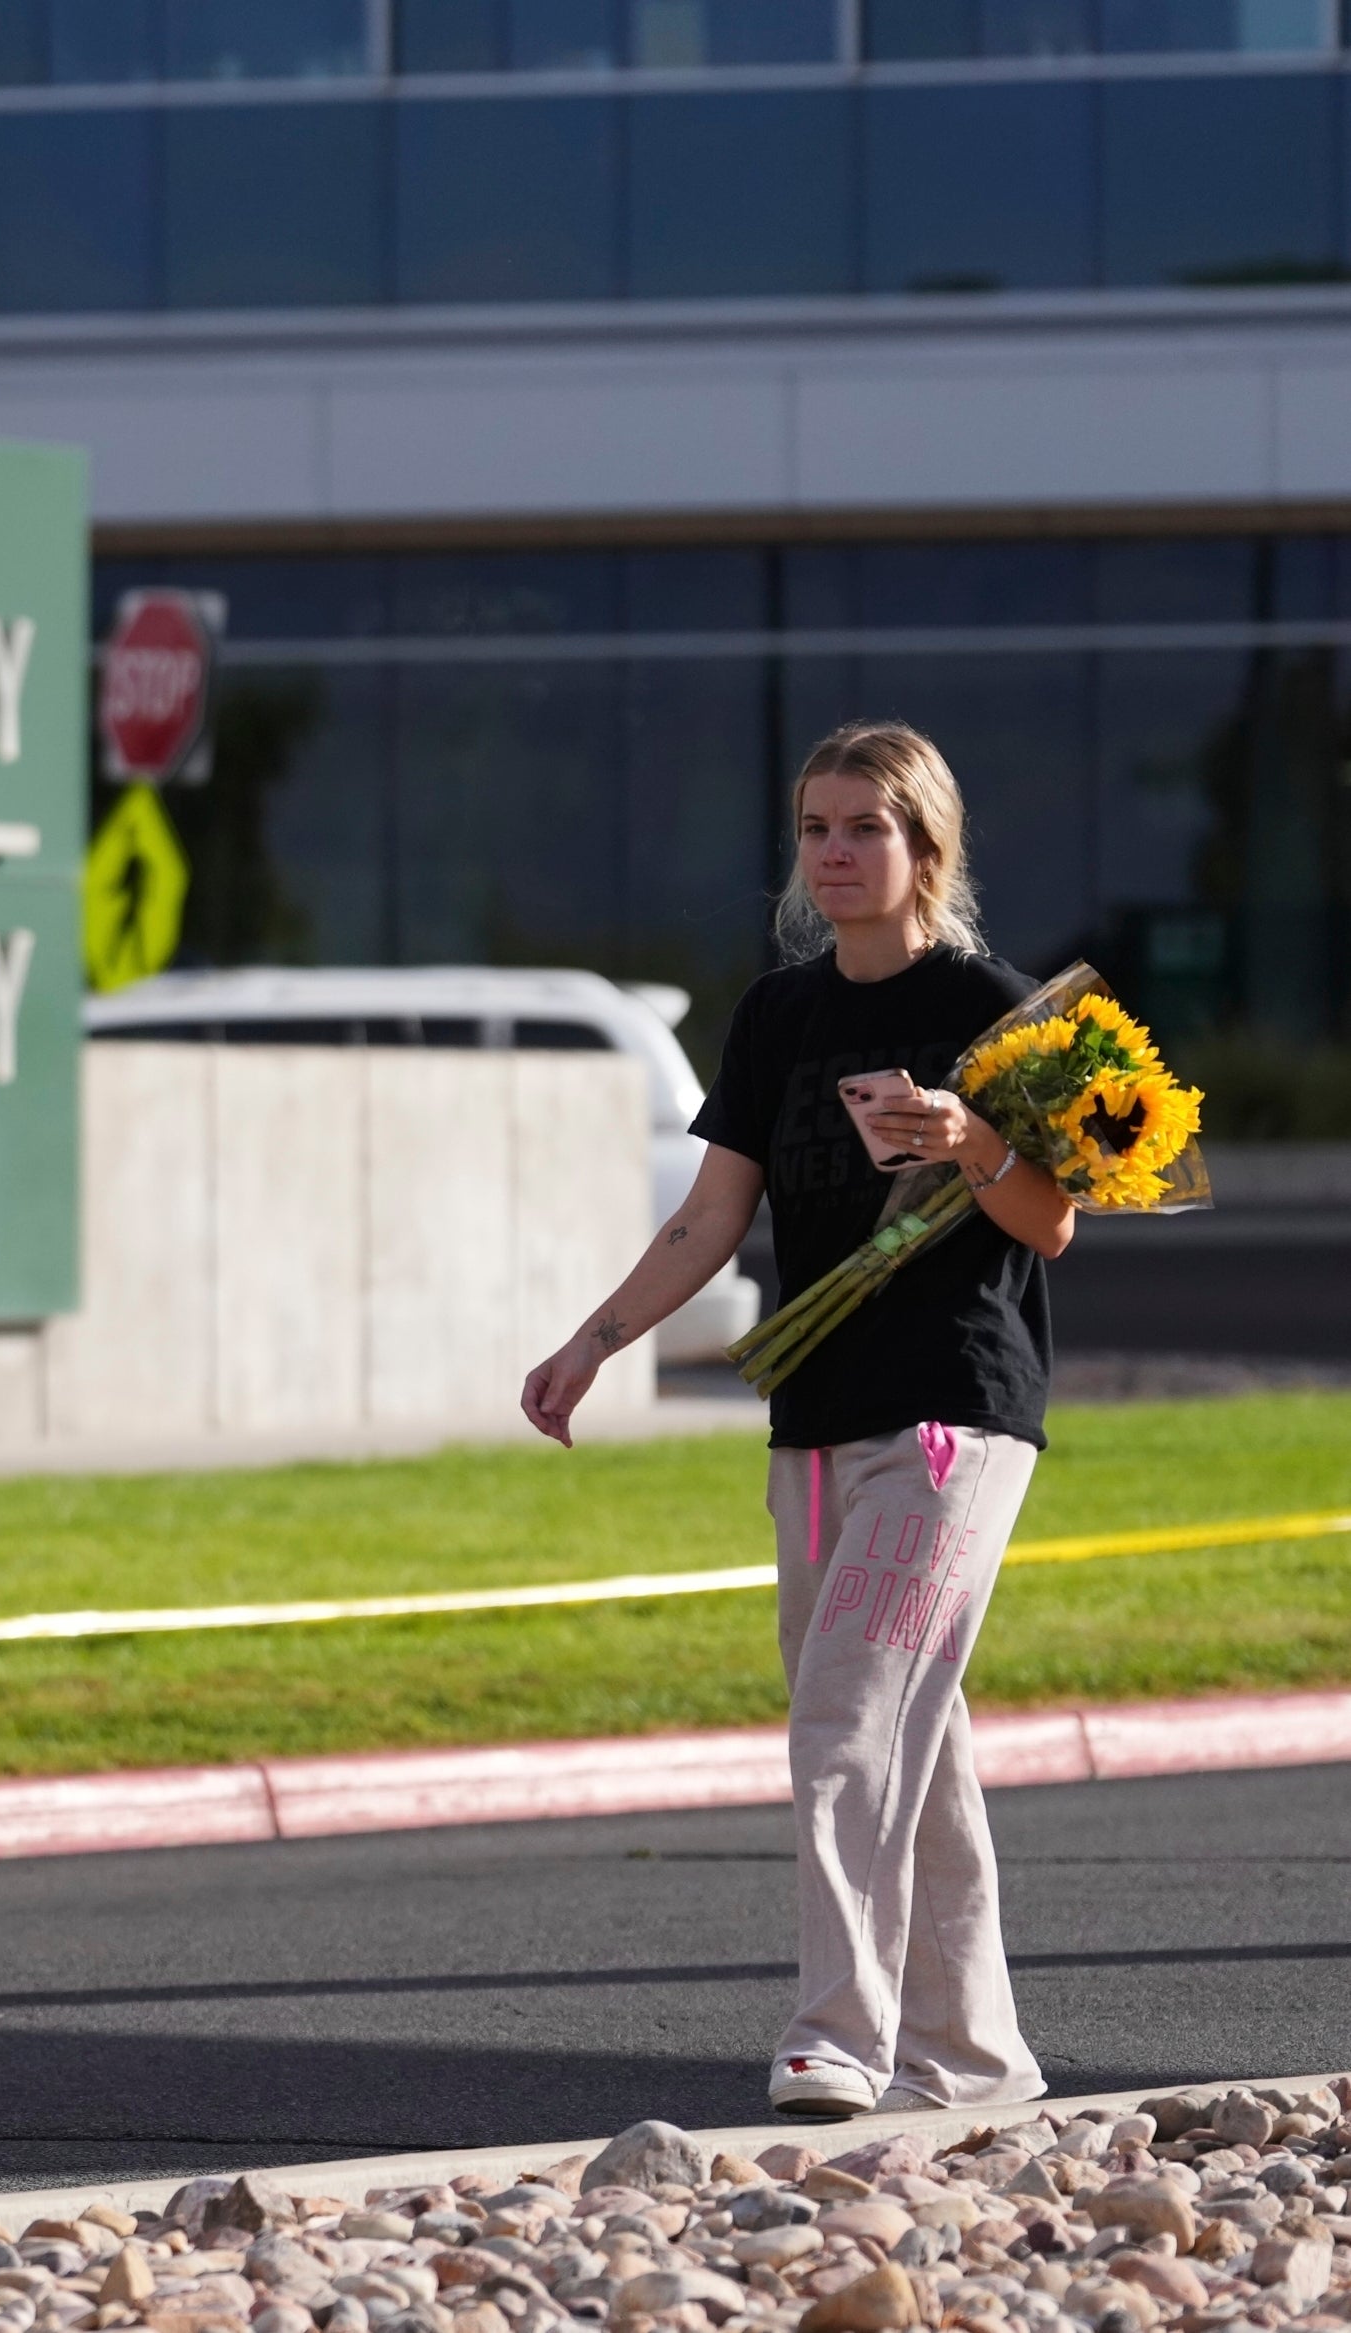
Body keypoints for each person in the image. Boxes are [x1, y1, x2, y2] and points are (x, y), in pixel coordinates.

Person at [517, 719, 1073, 2122]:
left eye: (863, 828)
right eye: (816, 828)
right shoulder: (779, 1017)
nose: (832, 852)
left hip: (953, 1413)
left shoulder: (1002, 1009)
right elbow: (713, 1215)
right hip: (814, 1422)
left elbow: (1052, 1223)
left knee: (847, 1718)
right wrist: (593, 1341)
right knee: (911, 1744)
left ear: (925, 848)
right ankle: (976, 2059)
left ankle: (837, 2033)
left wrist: (968, 1138)